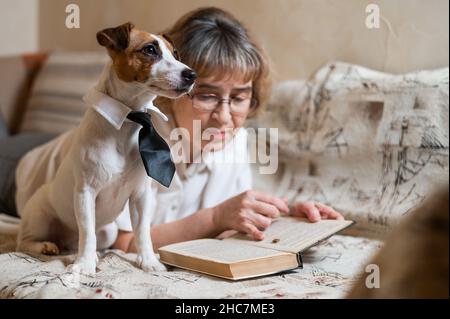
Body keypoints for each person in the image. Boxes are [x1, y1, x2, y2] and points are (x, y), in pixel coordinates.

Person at [15, 7, 343, 254]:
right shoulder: (139, 135)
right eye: (207, 95)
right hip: (23, 168)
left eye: (240, 97)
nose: (225, 117)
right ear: (170, 88)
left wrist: (285, 215)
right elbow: (123, 241)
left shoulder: (233, 138)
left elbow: (231, 216)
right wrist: (214, 218)